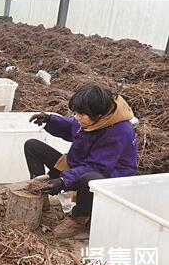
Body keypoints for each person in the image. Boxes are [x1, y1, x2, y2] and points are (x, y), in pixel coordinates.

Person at [25, 84, 137, 238]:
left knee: (88, 178)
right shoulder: (91, 116)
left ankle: (79, 218)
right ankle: (40, 193)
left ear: (98, 115)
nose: (77, 117)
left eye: (81, 114)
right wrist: (50, 120)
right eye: (75, 113)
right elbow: (71, 128)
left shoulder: (119, 131)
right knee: (32, 145)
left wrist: (64, 181)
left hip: (107, 176)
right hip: (80, 163)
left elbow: (97, 167)